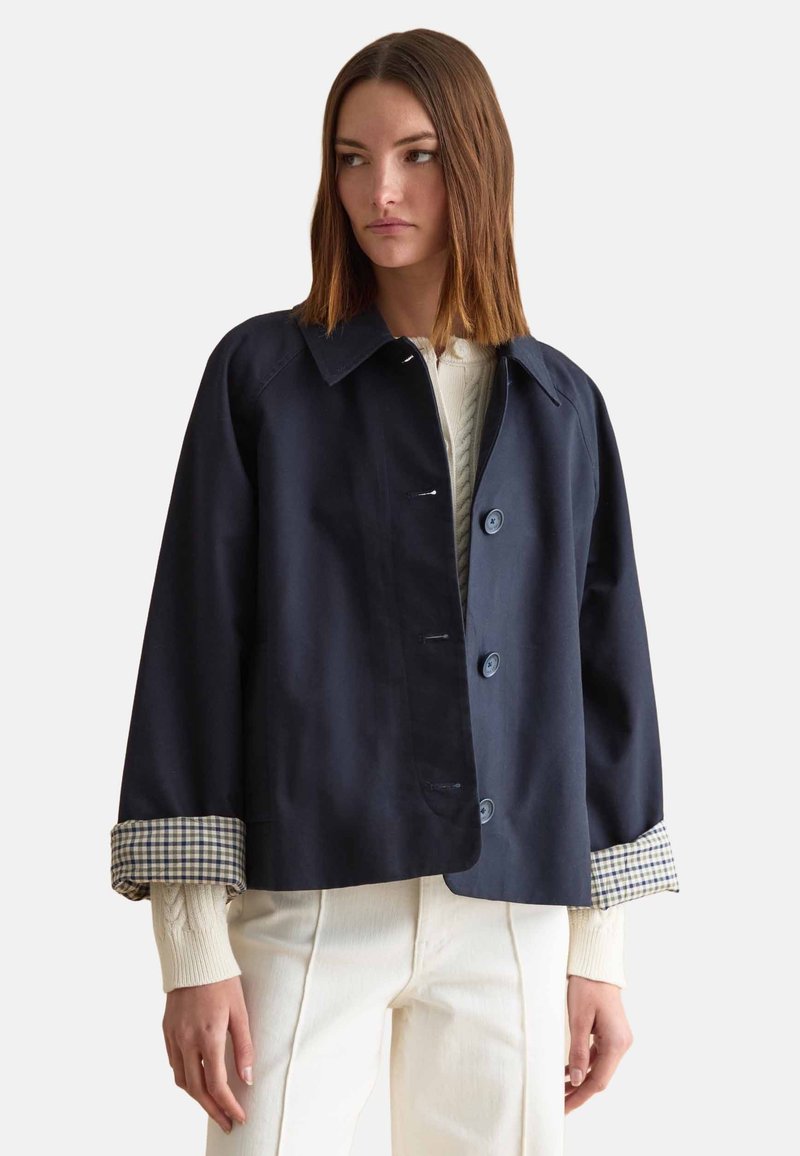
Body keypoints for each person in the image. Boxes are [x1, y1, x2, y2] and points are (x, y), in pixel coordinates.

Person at [109, 28, 680, 1156]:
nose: (381, 191)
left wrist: (596, 955)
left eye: (418, 156)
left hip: (510, 910)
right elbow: (193, 653)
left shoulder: (562, 406)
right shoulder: (261, 379)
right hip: (311, 889)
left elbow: (604, 677)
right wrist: (193, 951)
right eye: (352, 158)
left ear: (476, 165)